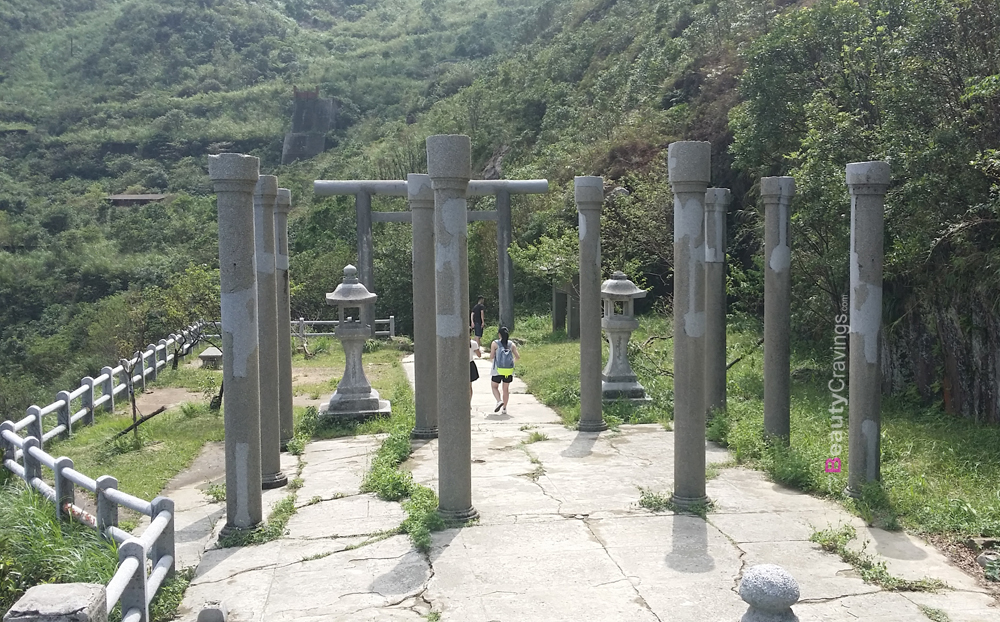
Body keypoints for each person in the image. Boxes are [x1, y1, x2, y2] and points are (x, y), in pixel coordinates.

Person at [489, 326, 520, 415]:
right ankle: (504, 408)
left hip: (497, 370)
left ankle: (499, 401)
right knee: (505, 389)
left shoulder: (495, 343)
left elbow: (491, 357)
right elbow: (518, 357)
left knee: (494, 387)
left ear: (499, 334)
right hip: (508, 371)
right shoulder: (511, 344)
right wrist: (511, 363)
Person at [469, 337, 482, 401]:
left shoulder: (458, 342)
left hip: (460, 364)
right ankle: (469, 403)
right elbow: (479, 355)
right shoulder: (473, 343)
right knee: (469, 386)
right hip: (470, 364)